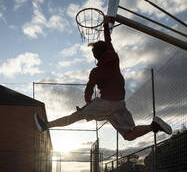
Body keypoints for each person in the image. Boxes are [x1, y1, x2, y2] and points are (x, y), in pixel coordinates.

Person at [34, 16, 172, 140]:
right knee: (129, 134)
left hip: (105, 103)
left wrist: (87, 105)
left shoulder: (95, 72)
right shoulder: (114, 57)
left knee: (75, 117)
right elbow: (108, 40)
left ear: (96, 57)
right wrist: (106, 24)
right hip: (119, 103)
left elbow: (88, 91)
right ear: (106, 49)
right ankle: (153, 126)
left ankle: (45, 125)